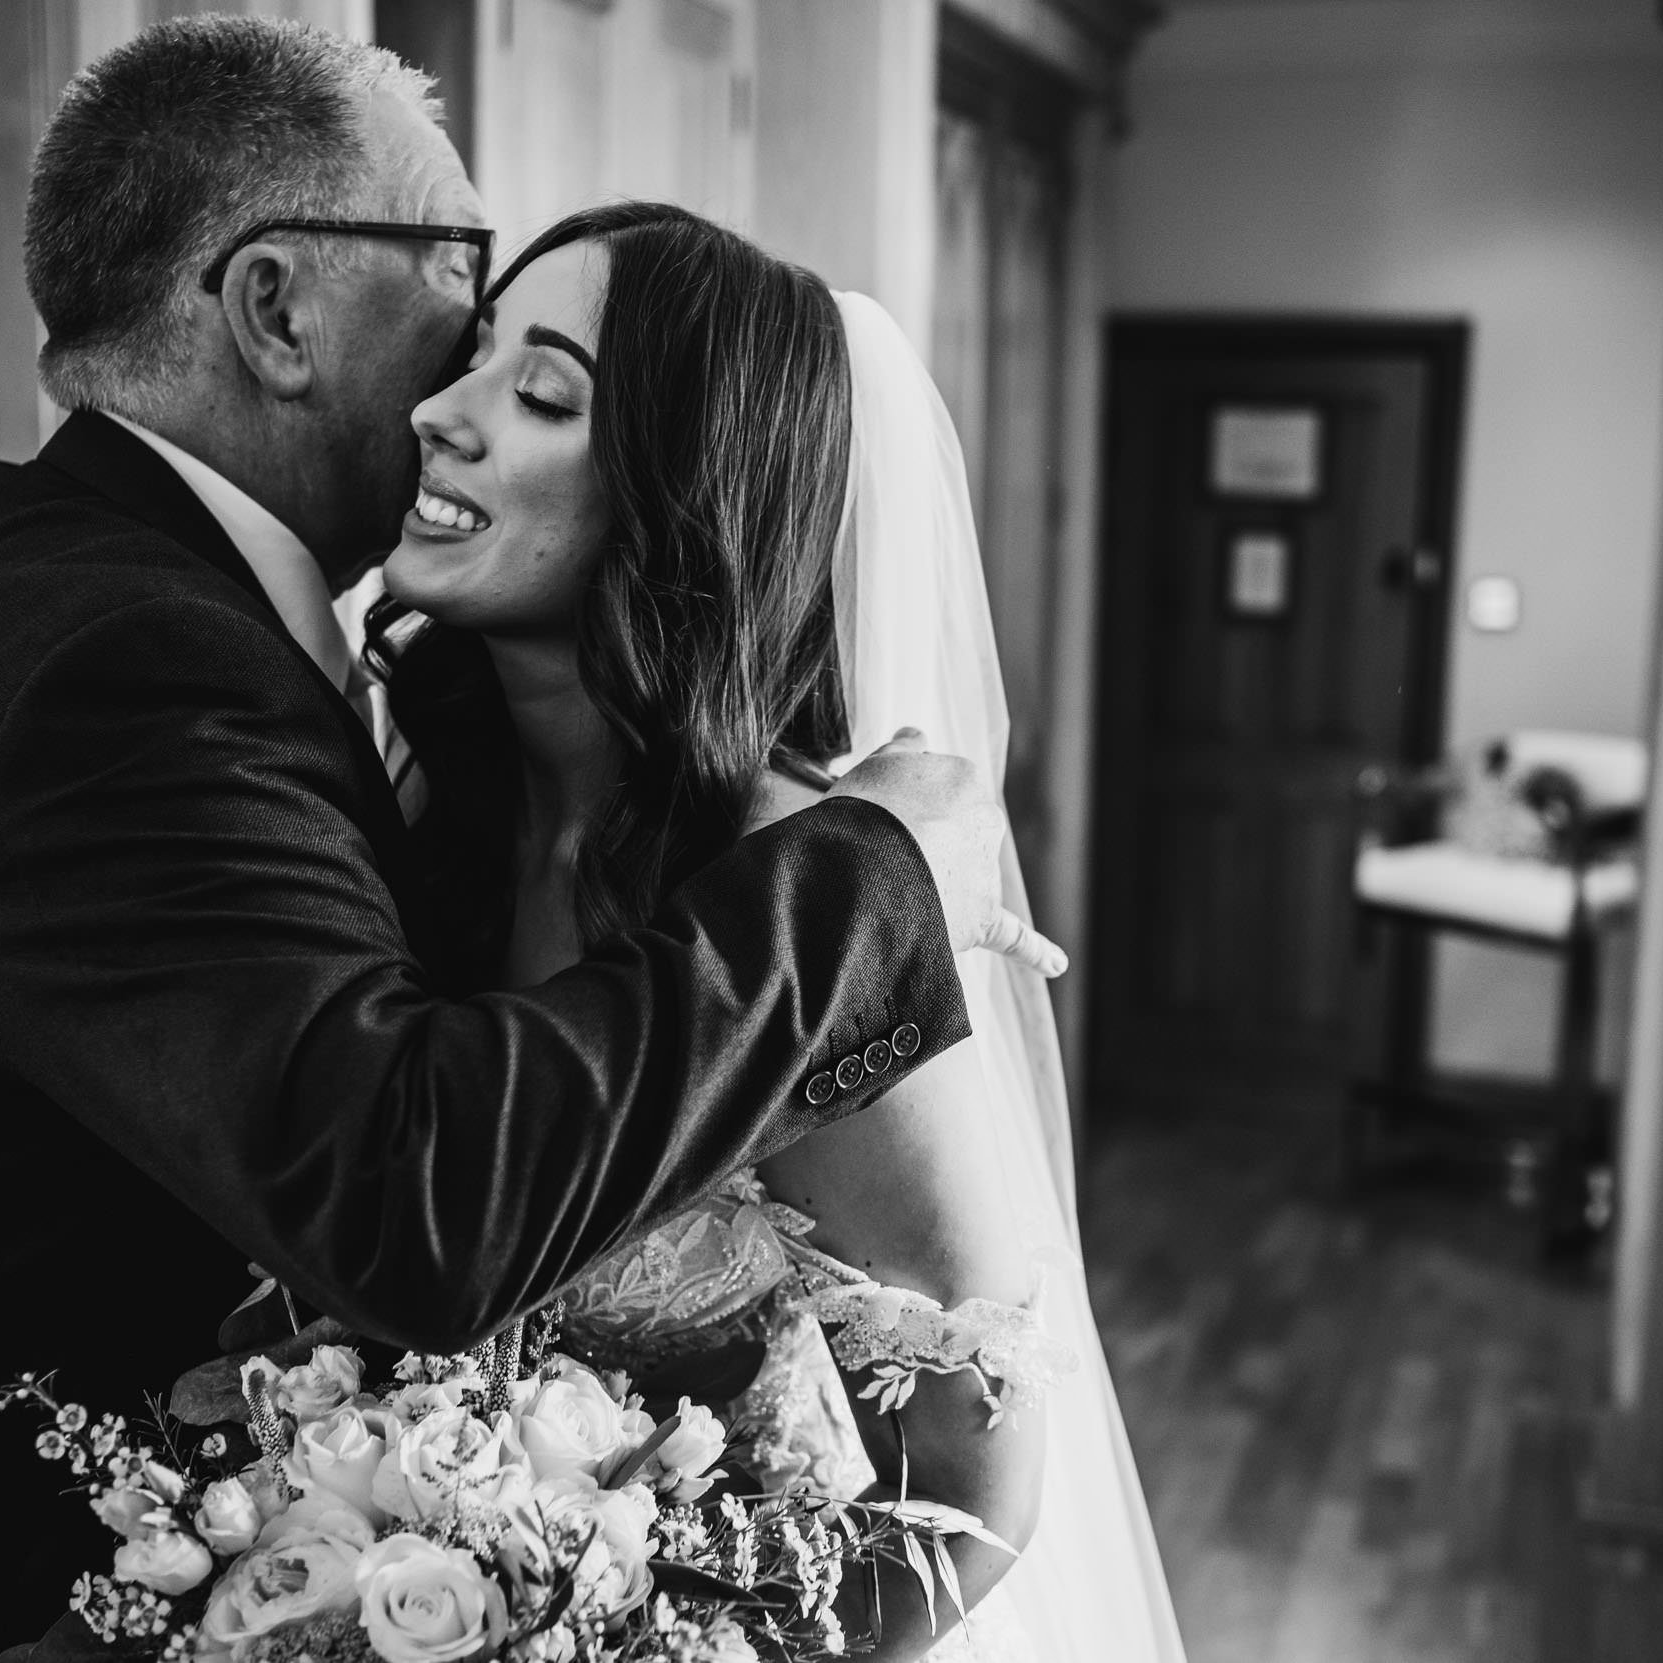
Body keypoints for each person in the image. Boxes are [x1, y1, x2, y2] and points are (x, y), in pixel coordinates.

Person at [0, 21, 1057, 1659]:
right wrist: (874, 878)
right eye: (461, 293)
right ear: (278, 308)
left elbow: (974, 1440)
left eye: (535, 378)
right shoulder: (146, 674)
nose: (454, 403)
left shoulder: (148, 628)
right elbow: (411, 1200)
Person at [373, 202, 1188, 1662]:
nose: (438, 412)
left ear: (683, 491)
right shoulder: (417, 795)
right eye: (471, 357)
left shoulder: (803, 879)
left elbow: (980, 1482)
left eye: (543, 391)